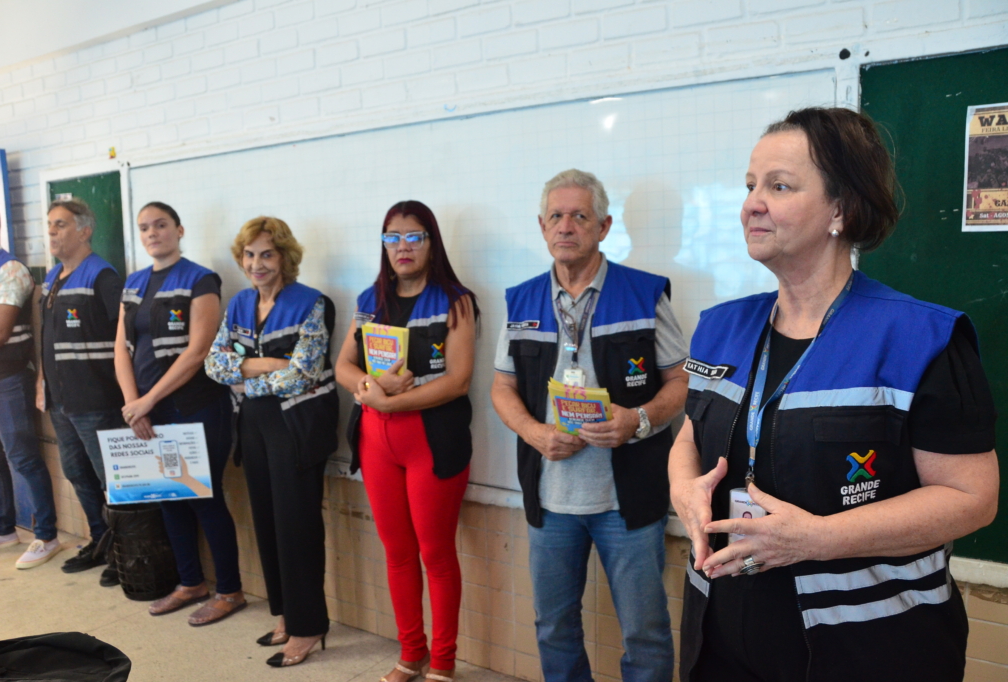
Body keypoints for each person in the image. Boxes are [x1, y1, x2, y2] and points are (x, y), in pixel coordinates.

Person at [670, 107, 1000, 682]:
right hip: (721, 637)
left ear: (840, 209)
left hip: (873, 649)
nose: (752, 203)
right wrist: (684, 489)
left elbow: (972, 498)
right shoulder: (719, 327)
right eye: (750, 186)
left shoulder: (920, 338)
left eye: (779, 186)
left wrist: (818, 539)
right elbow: (690, 436)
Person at [490, 170, 689, 682]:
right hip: (551, 501)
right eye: (556, 216)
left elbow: (681, 383)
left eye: (580, 216)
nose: (566, 226)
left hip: (629, 502)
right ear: (541, 225)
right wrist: (534, 433)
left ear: (602, 226)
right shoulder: (521, 301)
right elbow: (502, 388)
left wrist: (639, 421)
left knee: (644, 631)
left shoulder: (644, 294)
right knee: (554, 627)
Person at [335, 201, 478, 682]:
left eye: (414, 236)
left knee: (435, 553)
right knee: (396, 551)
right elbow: (344, 366)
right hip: (377, 441)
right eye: (392, 237)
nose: (402, 246)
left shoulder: (456, 300)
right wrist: (368, 390)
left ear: (431, 242)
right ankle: (410, 653)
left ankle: (442, 663)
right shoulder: (370, 299)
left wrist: (395, 401)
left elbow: (459, 380)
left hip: (433, 440)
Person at [205, 216, 338, 667]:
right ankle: (285, 615)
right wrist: (264, 367)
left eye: (267, 254)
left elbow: (301, 374)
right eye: (249, 255)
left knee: (296, 527)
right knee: (267, 523)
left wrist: (243, 376)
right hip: (254, 427)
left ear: (284, 257)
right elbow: (213, 365)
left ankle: (308, 627)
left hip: (297, 430)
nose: (257, 263)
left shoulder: (313, 304)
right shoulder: (239, 303)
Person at [114, 201, 245, 625]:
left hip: (196, 406)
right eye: (145, 228)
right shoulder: (133, 284)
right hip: (148, 410)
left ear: (179, 230)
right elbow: (121, 347)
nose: (153, 233)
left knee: (203, 498)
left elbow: (199, 351)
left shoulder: (200, 279)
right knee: (168, 498)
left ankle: (230, 591)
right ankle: (191, 583)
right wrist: (135, 406)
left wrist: (146, 402)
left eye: (161, 225)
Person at [34, 198, 125, 581]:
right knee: (76, 471)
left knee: (111, 479)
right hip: (61, 400)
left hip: (97, 400)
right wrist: (42, 380)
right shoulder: (54, 277)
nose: (52, 232)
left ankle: (126, 550)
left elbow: (125, 340)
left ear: (85, 231)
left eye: (61, 225)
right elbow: (47, 338)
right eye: (50, 224)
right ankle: (101, 539)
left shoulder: (103, 276)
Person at [0, 198, 61, 569]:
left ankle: (46, 535)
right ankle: (0, 528)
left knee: (23, 457)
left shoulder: (8, 268)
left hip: (6, 379)